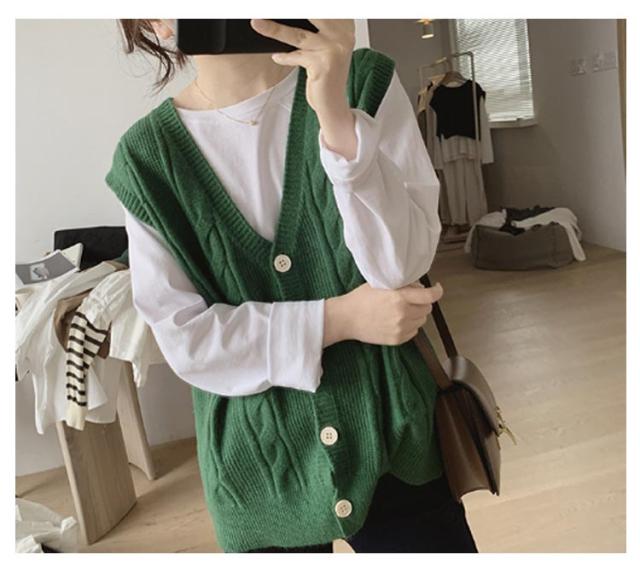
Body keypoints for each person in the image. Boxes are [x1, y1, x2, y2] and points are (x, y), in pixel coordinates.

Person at [107, 18, 478, 553]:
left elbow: (400, 266)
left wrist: (337, 119)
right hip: (260, 470)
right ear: (153, 21)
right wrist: (340, 319)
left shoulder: (363, 82)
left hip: (394, 436)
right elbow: (187, 340)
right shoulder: (145, 158)